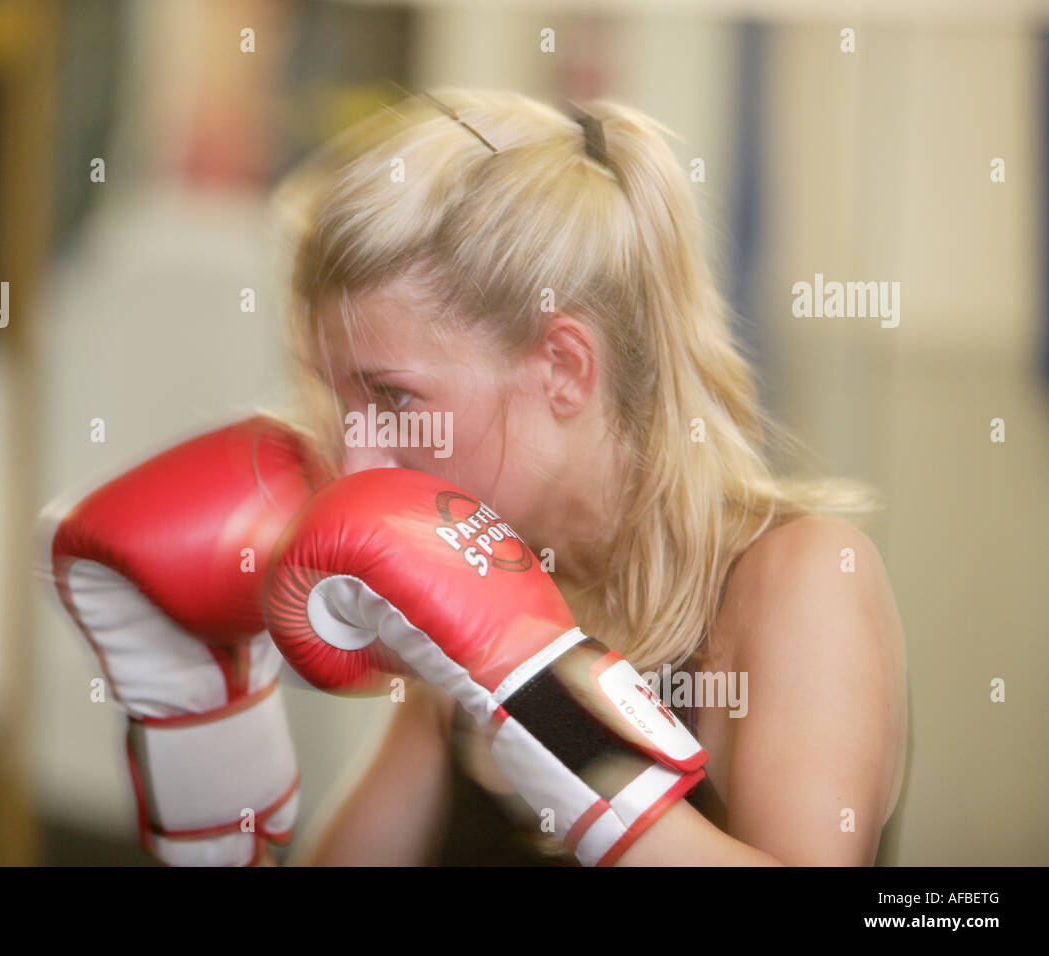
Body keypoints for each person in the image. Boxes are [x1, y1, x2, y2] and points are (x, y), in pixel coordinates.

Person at [263, 87, 908, 866]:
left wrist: (536, 694)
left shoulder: (801, 579)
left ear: (564, 368)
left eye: (393, 396)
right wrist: (201, 713)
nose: (353, 464)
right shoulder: (488, 575)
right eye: (338, 402)